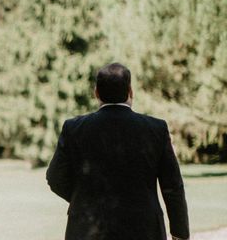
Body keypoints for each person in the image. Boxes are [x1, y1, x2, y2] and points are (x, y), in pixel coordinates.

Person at [46, 62, 189, 240]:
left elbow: (55, 178)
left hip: (87, 230)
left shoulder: (74, 129)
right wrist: (180, 234)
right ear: (130, 91)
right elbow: (172, 186)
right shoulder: (155, 129)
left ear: (96, 92)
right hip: (143, 229)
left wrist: (84, 201)